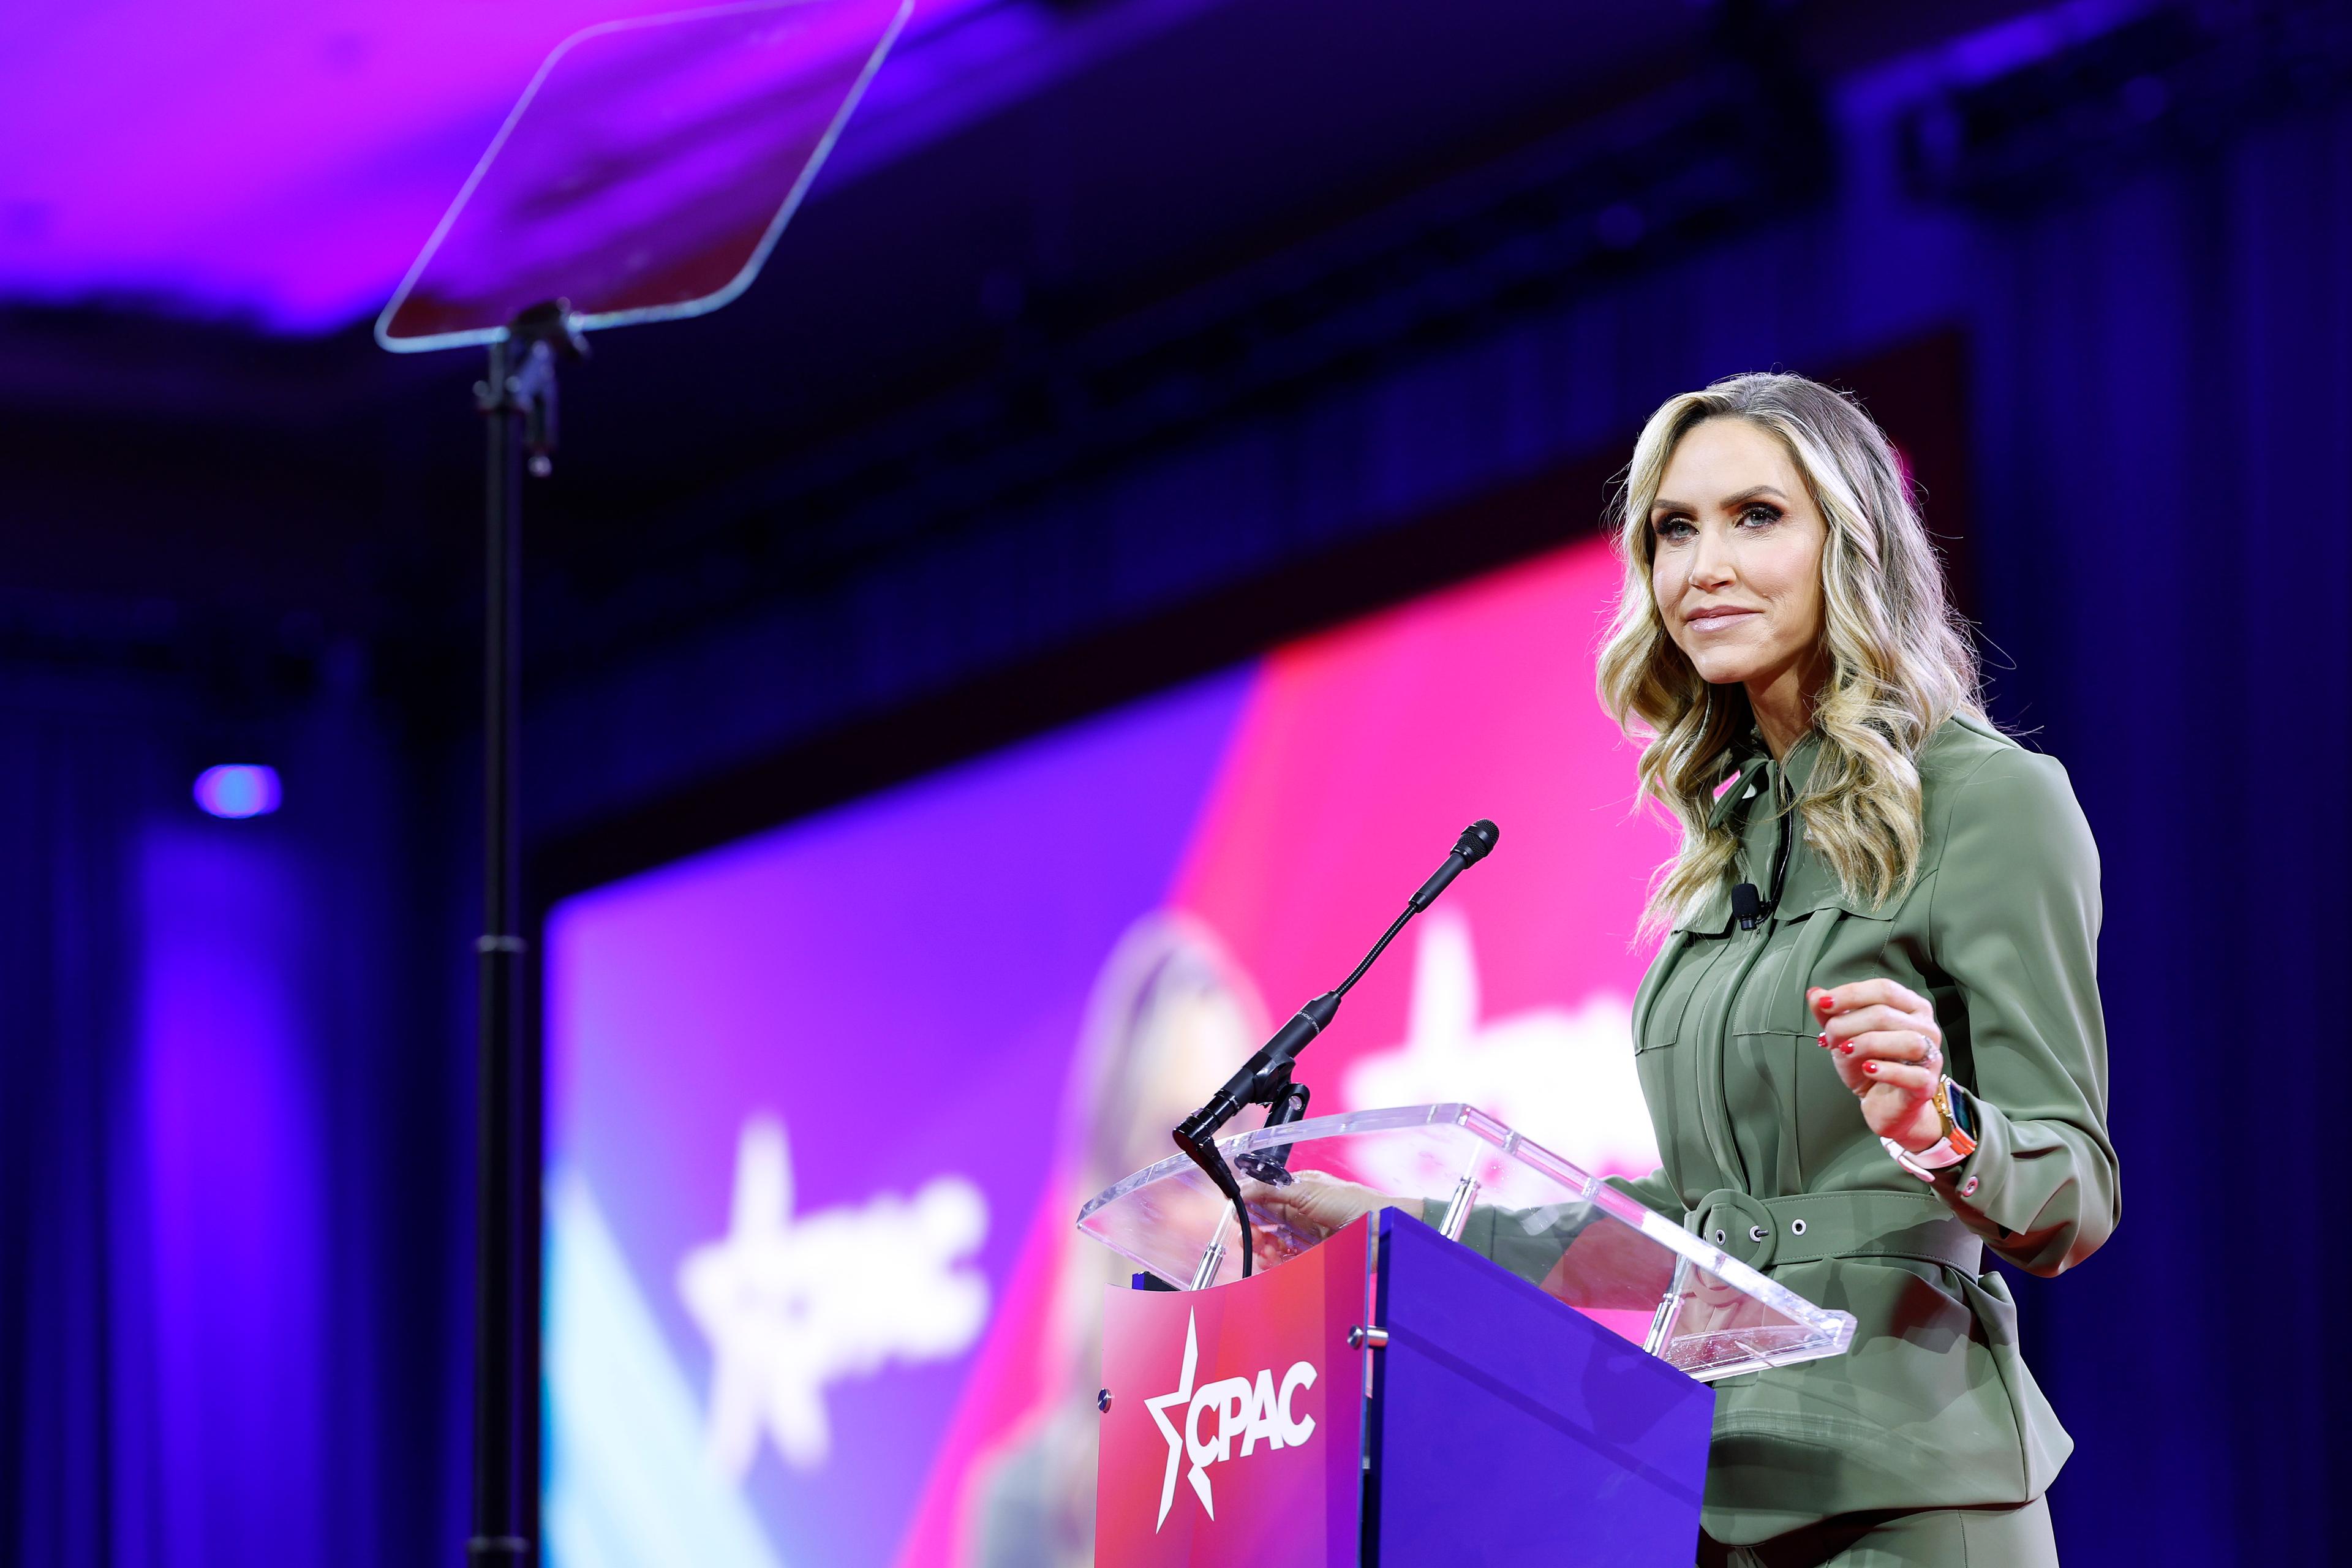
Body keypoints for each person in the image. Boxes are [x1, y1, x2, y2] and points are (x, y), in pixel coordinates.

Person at [1261, 372, 2117, 1566]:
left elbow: (2077, 1187)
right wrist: (1397, 1231)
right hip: (1705, 1484)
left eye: (1756, 515)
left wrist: (1943, 1126)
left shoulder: (1990, 803)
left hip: (1915, 1491)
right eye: (1675, 528)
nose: (1704, 563)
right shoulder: (1722, 858)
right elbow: (1700, 1227)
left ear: (1849, 538)